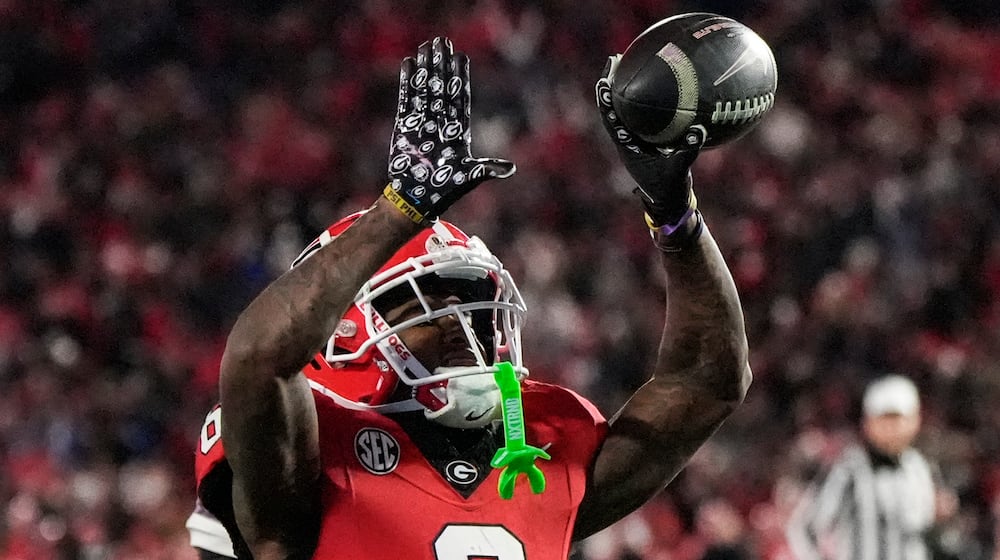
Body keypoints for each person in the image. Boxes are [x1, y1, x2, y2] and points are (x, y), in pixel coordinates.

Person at [191, 36, 751, 560]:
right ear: (345, 328)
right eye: (427, 306)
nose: (466, 330)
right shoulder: (311, 454)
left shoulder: (537, 449)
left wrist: (675, 216)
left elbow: (708, 383)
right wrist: (399, 209)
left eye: (473, 306)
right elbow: (258, 360)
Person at [785, 374, 948, 560]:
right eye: (884, 419)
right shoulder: (849, 470)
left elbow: (920, 532)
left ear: (915, 421)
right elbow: (804, 526)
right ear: (868, 423)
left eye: (898, 419)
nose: (892, 428)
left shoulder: (918, 467)